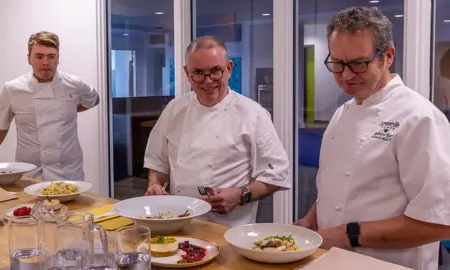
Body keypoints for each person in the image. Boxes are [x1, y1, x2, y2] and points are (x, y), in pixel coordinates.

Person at [295, 7, 450, 270]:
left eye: (358, 63)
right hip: (331, 260)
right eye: (337, 63)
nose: (345, 75)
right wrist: (310, 221)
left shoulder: (419, 118)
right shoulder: (341, 114)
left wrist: (348, 234)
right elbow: (335, 190)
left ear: (387, 56)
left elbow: (439, 223)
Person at [143, 36, 291, 227]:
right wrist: (154, 185)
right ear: (187, 73)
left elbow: (277, 175)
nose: (208, 81)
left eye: (215, 71)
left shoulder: (253, 114)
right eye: (198, 73)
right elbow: (157, 162)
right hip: (179, 223)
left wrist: (241, 194)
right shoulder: (174, 109)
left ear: (228, 69)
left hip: (229, 229)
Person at [0, 31, 99, 181]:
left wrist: (73, 108)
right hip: (29, 172)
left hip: (67, 172)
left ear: (58, 59)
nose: (45, 62)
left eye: (51, 56)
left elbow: (94, 99)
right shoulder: (13, 89)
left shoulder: (75, 84)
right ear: (29, 59)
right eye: (39, 56)